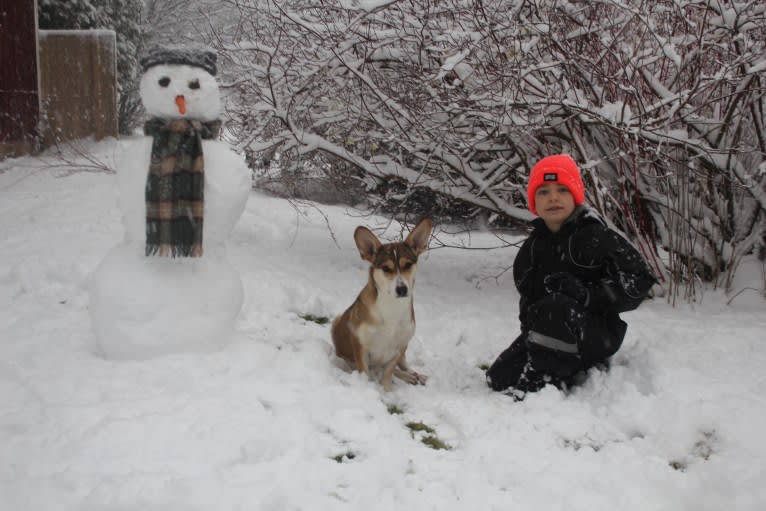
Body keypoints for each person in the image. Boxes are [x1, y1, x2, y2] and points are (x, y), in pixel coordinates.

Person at [486, 154, 655, 398]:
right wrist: (532, 334)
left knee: (557, 306)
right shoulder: (533, 247)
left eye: (562, 190)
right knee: (498, 378)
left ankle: (541, 383)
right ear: (534, 201)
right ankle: (551, 361)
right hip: (549, 333)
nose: (553, 197)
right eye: (543, 192)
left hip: (596, 333)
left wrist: (588, 295)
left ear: (574, 196)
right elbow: (528, 295)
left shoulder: (596, 236)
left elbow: (638, 280)